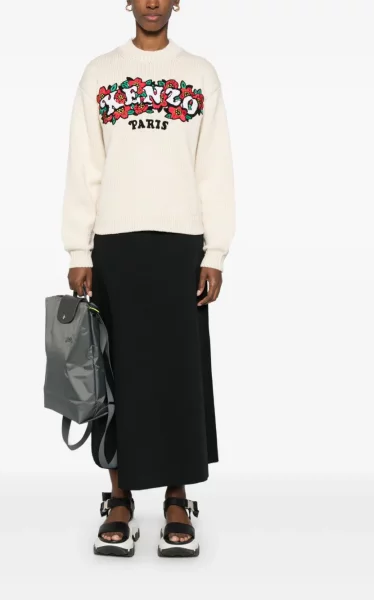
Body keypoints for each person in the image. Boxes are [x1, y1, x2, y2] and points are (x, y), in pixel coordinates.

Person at [61, 0, 235, 558]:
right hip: (114, 242)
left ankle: (177, 499)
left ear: (176, 2)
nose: (153, 3)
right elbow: (84, 164)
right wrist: (79, 247)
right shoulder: (100, 72)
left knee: (180, 372)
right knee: (113, 374)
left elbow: (214, 167)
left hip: (181, 243)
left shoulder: (199, 73)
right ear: (129, 2)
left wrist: (215, 252)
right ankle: (119, 499)